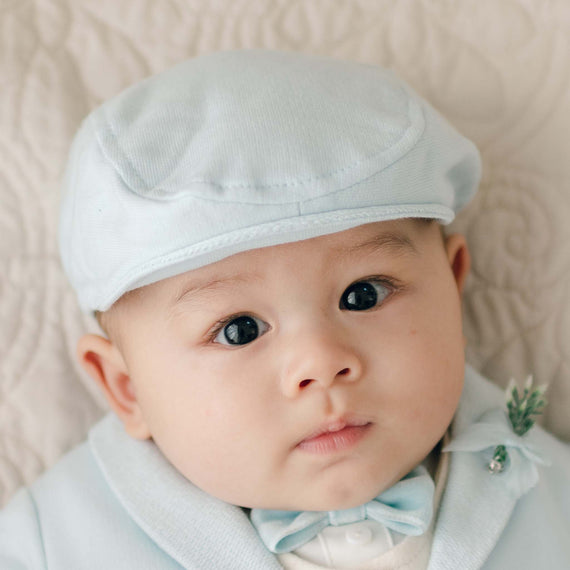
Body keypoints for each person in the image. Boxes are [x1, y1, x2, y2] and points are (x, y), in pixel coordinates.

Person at [1, 49, 569, 570]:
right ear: (127, 387)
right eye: (239, 330)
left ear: (453, 288)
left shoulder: (550, 497)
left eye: (363, 294)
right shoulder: (49, 543)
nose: (321, 362)